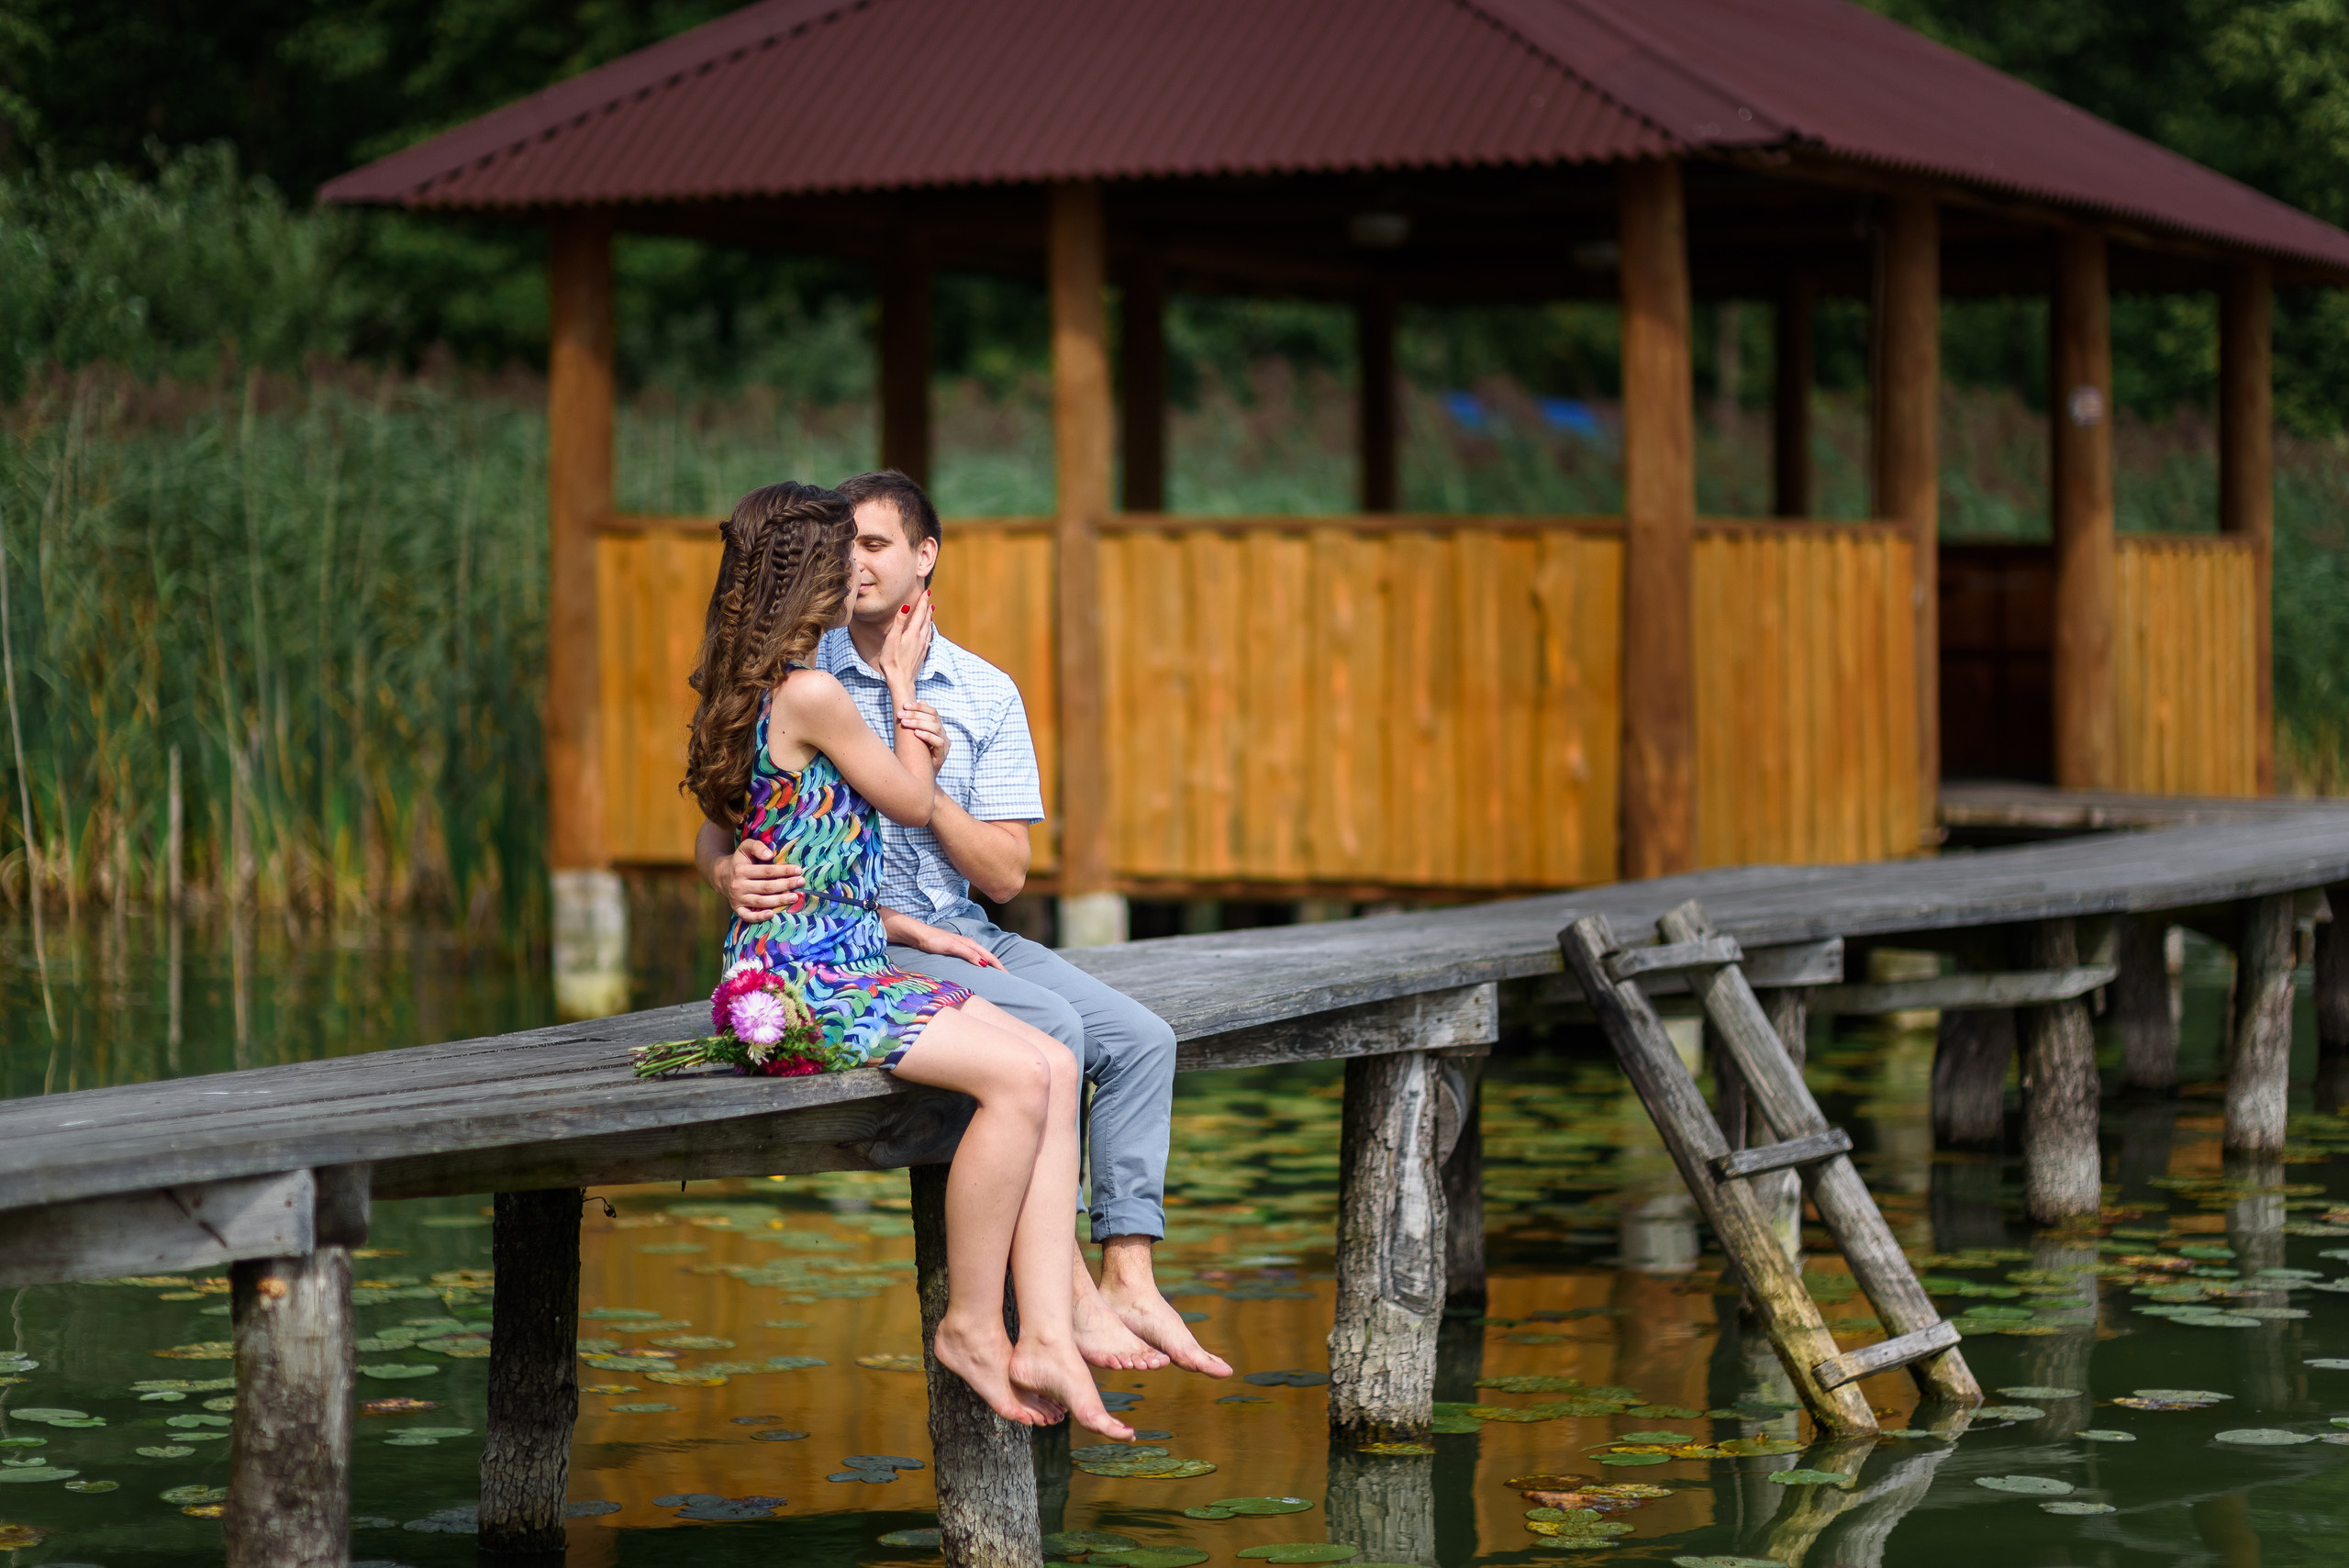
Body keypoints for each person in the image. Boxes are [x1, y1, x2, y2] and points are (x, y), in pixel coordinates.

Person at [697, 469, 1230, 1380]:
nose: (854, 565)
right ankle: (1059, 1302)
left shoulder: (983, 691)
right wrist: (724, 869)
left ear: (923, 557)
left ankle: (1129, 1271)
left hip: (955, 924)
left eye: (872, 545)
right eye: (840, 548)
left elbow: (1008, 873)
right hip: (863, 949)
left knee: (1142, 1039)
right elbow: (729, 817)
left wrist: (934, 795)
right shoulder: (800, 670)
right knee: (1048, 1035)